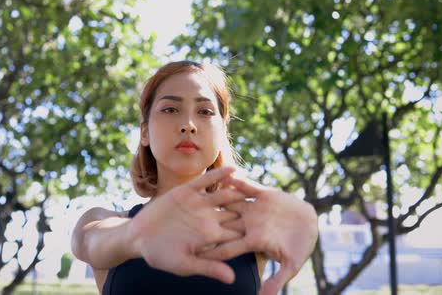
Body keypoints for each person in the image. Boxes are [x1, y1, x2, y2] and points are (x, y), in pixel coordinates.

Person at [71, 61, 318, 295]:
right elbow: (88, 240)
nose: (188, 124)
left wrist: (306, 224)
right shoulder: (103, 221)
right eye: (170, 109)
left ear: (222, 131)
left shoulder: (250, 227)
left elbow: (289, 231)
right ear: (144, 131)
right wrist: (137, 234)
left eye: (205, 111)